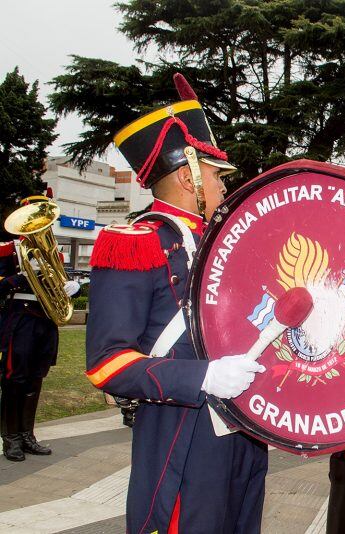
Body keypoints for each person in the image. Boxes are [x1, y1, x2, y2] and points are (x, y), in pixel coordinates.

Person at [85, 81, 270, 532]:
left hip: (244, 431)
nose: (226, 185)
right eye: (218, 175)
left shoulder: (226, 244)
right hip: (181, 431)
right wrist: (202, 375)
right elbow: (106, 364)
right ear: (189, 176)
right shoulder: (134, 243)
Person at [0, 199, 80, 462]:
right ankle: (10, 437)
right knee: (15, 379)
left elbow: (58, 278)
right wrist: (18, 279)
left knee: (35, 379)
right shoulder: (8, 250)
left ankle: (27, 435)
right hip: (20, 320)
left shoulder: (52, 252)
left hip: (45, 321)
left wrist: (70, 285)